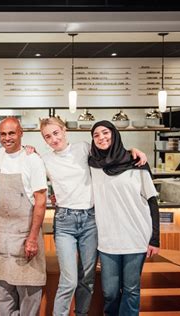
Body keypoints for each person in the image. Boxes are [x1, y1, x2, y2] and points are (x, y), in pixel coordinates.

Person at [39, 117, 147, 316]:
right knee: (69, 279)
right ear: (44, 140)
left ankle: (82, 314)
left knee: (87, 278)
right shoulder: (44, 160)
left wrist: (133, 151)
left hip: (90, 220)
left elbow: (109, 149)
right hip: (64, 221)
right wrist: (28, 149)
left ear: (64, 131)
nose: (54, 139)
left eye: (56, 133)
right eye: (48, 136)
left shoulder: (83, 148)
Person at [88, 120, 159, 316]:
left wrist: (154, 239)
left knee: (131, 289)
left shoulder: (137, 162)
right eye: (96, 135)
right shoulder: (93, 164)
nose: (101, 137)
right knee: (110, 292)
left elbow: (153, 202)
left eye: (105, 132)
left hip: (136, 238)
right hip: (108, 240)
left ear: (115, 133)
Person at [0, 117, 47, 315]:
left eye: (11, 133)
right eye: (3, 134)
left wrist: (32, 239)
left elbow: (40, 201)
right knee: (3, 296)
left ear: (21, 133)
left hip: (24, 237)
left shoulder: (32, 159)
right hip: (1, 238)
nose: (7, 138)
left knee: (29, 296)